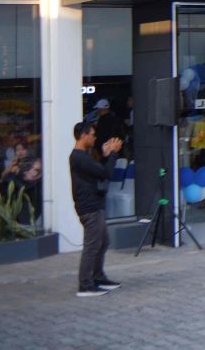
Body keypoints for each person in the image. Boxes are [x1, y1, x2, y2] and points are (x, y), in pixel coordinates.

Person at [69, 122, 122, 297]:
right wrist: (113, 153)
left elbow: (99, 171)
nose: (95, 138)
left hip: (94, 204)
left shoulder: (85, 156)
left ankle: (98, 277)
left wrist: (106, 156)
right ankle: (85, 285)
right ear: (83, 135)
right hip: (89, 207)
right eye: (92, 134)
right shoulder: (79, 157)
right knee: (92, 246)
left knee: (103, 241)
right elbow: (106, 174)